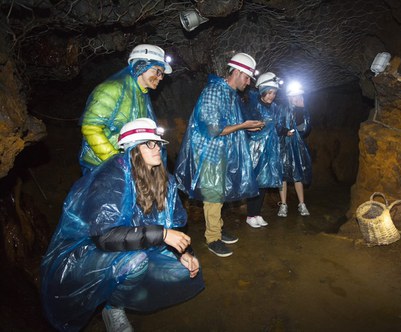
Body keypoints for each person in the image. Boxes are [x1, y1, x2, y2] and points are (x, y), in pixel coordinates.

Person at [41, 118, 204, 332]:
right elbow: (104, 237)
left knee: (182, 271)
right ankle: (113, 308)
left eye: (158, 143)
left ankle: (127, 289)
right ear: (133, 149)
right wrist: (162, 234)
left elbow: (175, 224)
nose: (157, 148)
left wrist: (184, 252)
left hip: (136, 245)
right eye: (149, 143)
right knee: (136, 263)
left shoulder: (164, 180)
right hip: (86, 254)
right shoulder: (110, 178)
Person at [175, 52, 264, 257]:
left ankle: (218, 228)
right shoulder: (215, 91)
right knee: (213, 195)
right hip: (210, 152)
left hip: (223, 151)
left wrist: (245, 128)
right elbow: (213, 129)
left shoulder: (230, 94)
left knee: (219, 193)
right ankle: (212, 238)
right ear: (238, 72)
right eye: (247, 77)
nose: (248, 82)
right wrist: (243, 125)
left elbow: (227, 126)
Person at [79, 44, 172, 174]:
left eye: (162, 74)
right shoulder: (112, 90)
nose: (161, 77)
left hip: (128, 166)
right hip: (101, 167)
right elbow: (91, 128)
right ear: (141, 66)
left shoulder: (141, 95)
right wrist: (116, 160)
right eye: (158, 71)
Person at [242, 72, 283, 228]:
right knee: (254, 182)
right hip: (254, 149)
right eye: (269, 92)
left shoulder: (274, 108)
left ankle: (257, 214)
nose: (272, 96)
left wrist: (285, 131)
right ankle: (250, 215)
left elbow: (276, 126)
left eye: (274, 93)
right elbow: (246, 125)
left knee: (264, 183)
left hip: (269, 149)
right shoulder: (252, 104)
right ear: (262, 90)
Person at [277, 81, 312, 217]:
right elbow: (277, 125)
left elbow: (306, 129)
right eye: (293, 96)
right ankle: (283, 205)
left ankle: (301, 204)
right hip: (283, 145)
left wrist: (301, 109)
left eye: (298, 95)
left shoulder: (303, 109)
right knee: (282, 175)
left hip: (297, 147)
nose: (295, 98)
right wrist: (285, 131)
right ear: (288, 97)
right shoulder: (281, 108)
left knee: (298, 174)